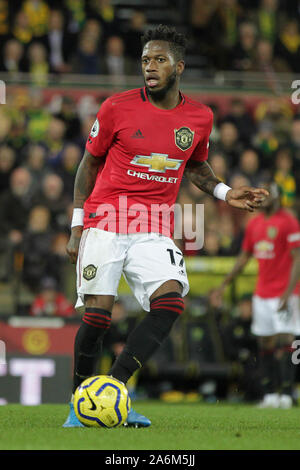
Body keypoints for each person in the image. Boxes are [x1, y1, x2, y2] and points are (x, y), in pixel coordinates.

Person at [62, 24, 268, 428]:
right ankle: (78, 403)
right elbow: (89, 163)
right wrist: (76, 225)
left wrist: (227, 193)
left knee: (170, 303)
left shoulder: (199, 117)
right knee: (98, 318)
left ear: (179, 67)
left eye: (159, 60)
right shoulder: (116, 107)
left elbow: (195, 165)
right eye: (144, 60)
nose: (149, 67)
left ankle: (112, 394)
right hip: (106, 217)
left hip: (154, 224)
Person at [212, 182, 300, 408]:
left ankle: (288, 392)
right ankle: (270, 393)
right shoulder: (255, 224)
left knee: (287, 342)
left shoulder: (288, 221)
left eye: (269, 195)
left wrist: (289, 292)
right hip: (262, 293)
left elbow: (297, 258)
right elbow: (244, 258)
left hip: (286, 293)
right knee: (265, 343)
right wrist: (223, 285)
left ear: (278, 198)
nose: (264, 199)